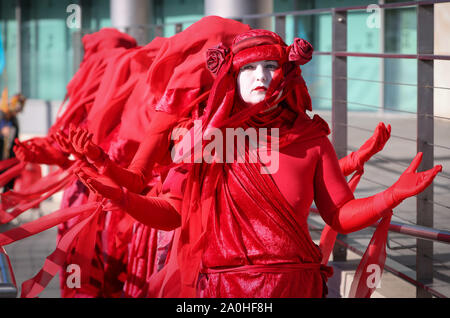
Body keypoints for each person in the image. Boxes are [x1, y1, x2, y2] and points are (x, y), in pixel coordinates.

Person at [72, 27, 441, 298]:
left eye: (270, 65)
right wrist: (122, 199)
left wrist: (390, 196)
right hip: (224, 292)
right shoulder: (206, 140)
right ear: (230, 76)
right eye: (249, 69)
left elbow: (339, 214)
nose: (261, 76)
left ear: (286, 72)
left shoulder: (311, 139)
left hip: (297, 288)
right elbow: (173, 213)